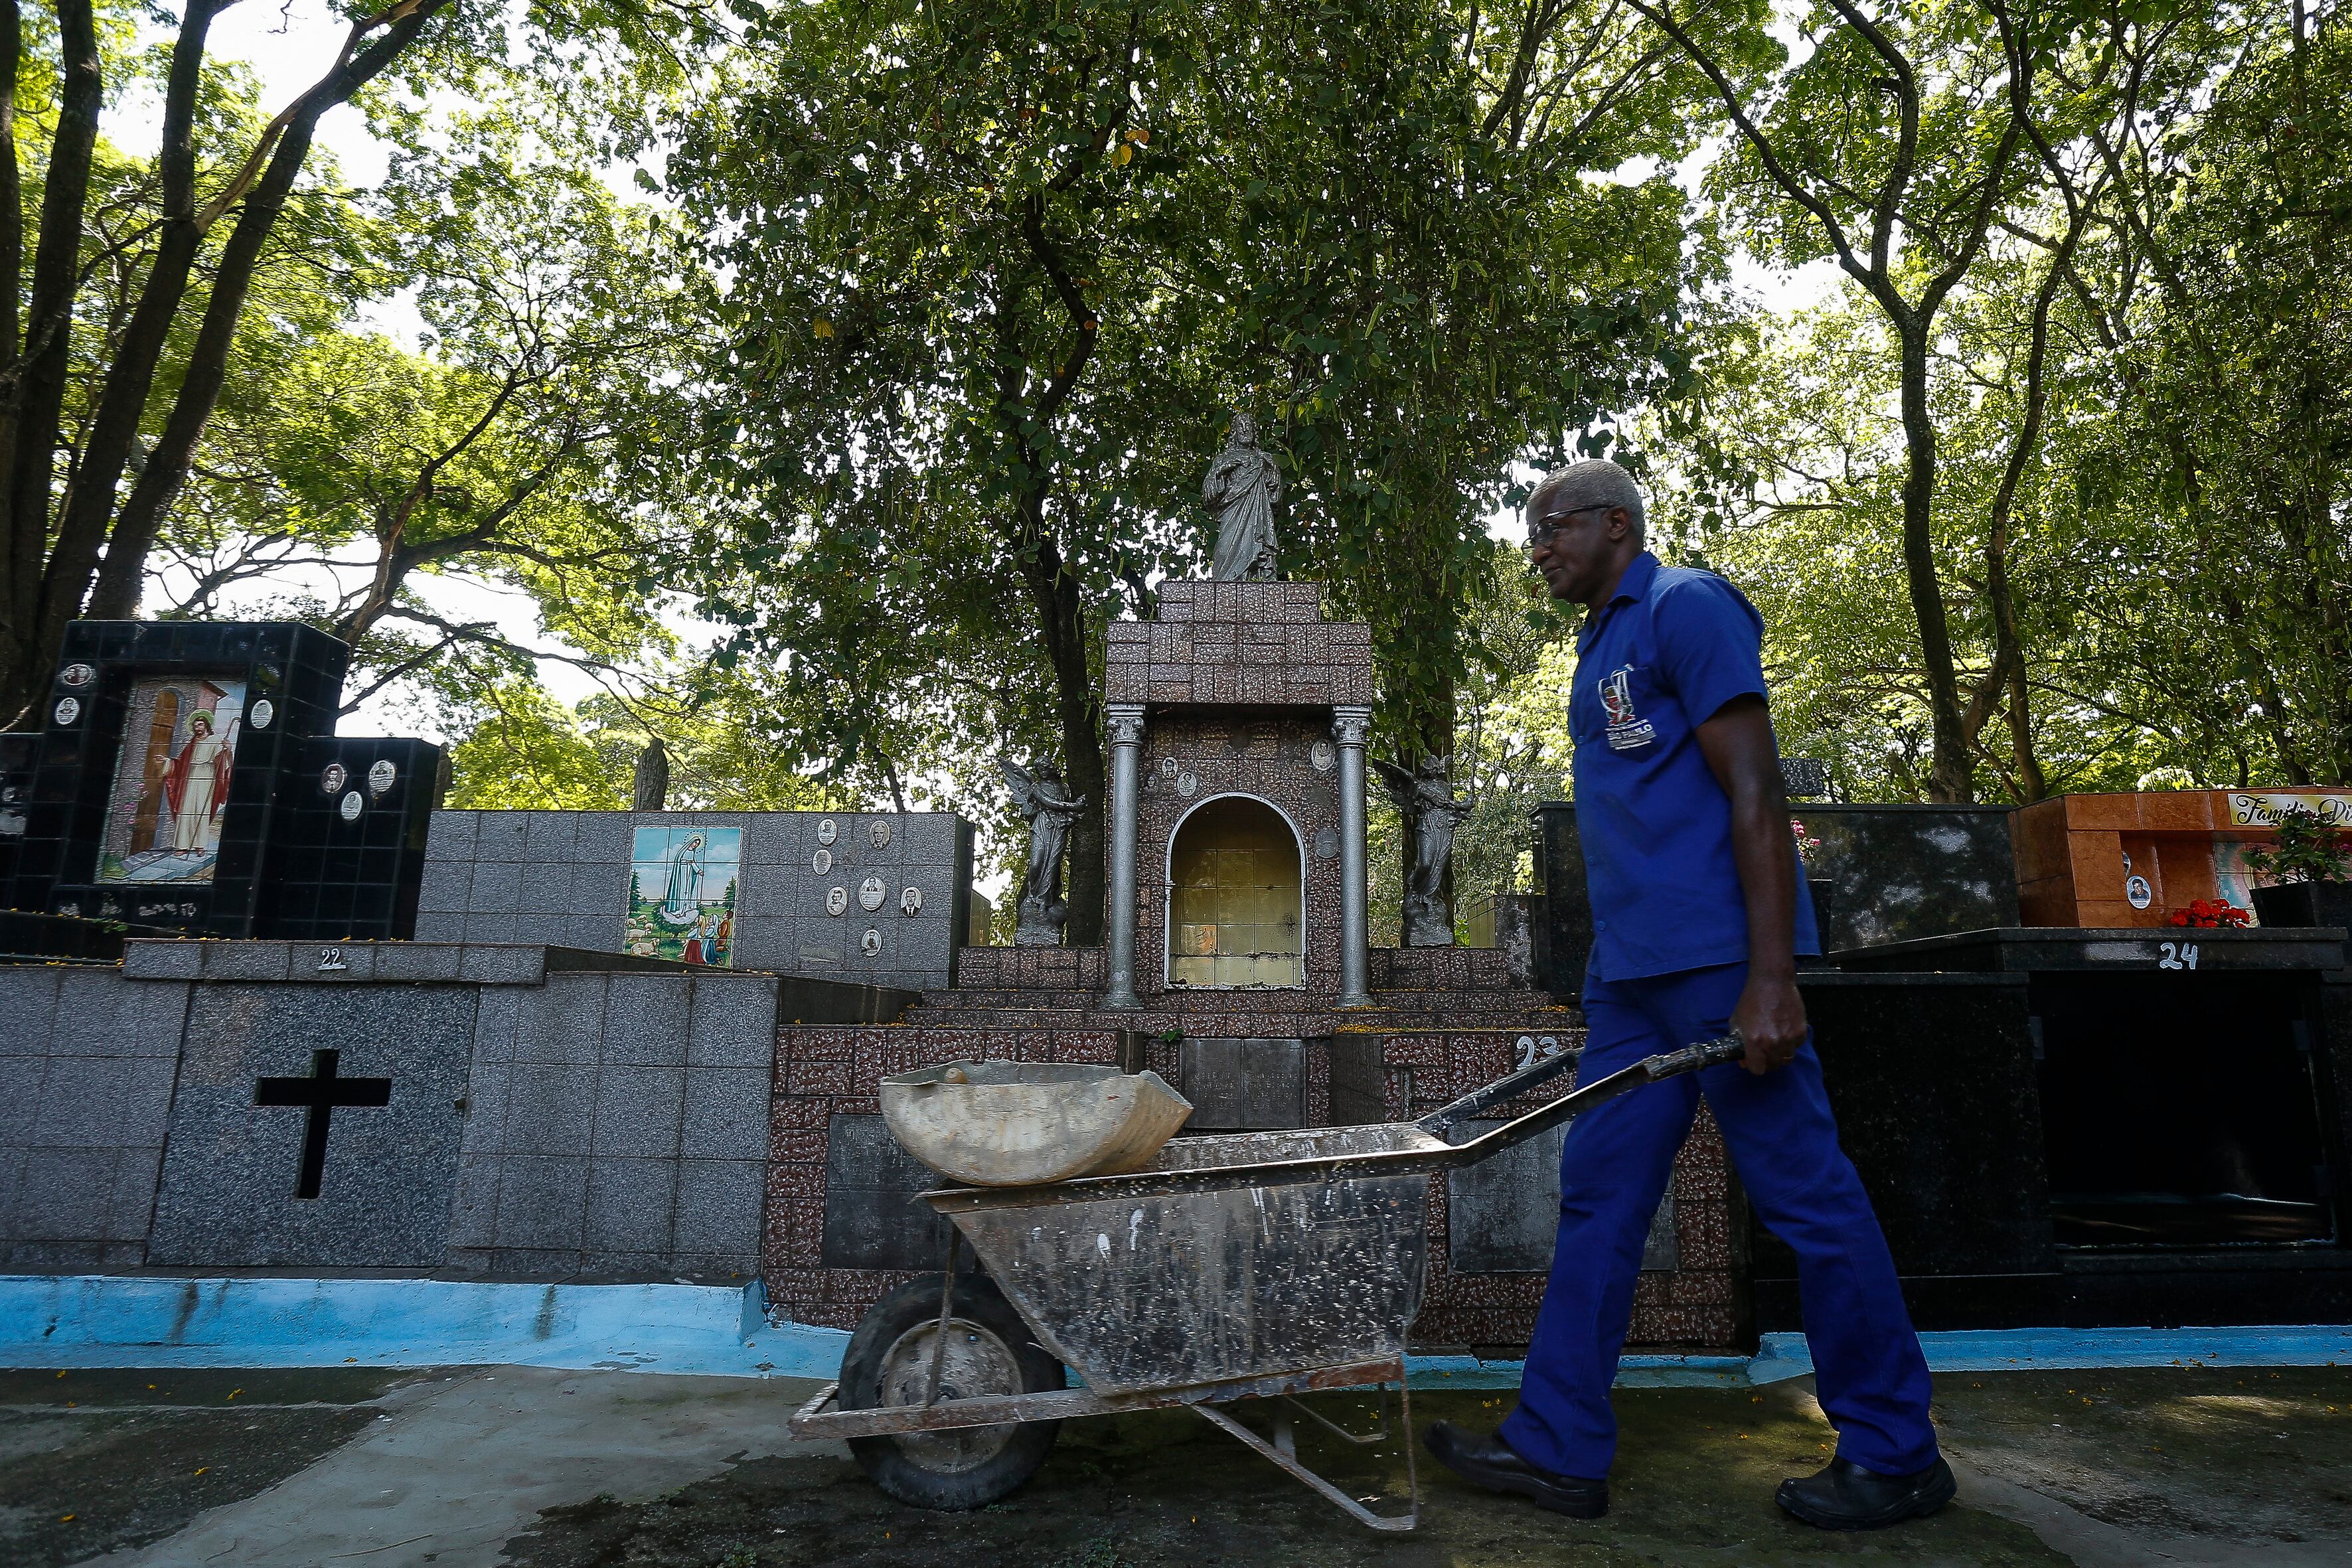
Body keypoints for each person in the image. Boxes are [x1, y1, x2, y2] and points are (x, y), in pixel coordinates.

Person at [1422, 459, 1951, 1531]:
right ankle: (1559, 1441)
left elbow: (1756, 790)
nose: (1539, 549)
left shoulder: (1687, 607)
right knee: (1600, 1195)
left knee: (1808, 1196)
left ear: (1616, 523)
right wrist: (1607, 971)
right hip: (1631, 979)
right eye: (1532, 532)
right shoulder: (1597, 644)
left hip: (1723, 969)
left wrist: (1771, 974)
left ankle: (1897, 1450)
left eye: (1552, 527)